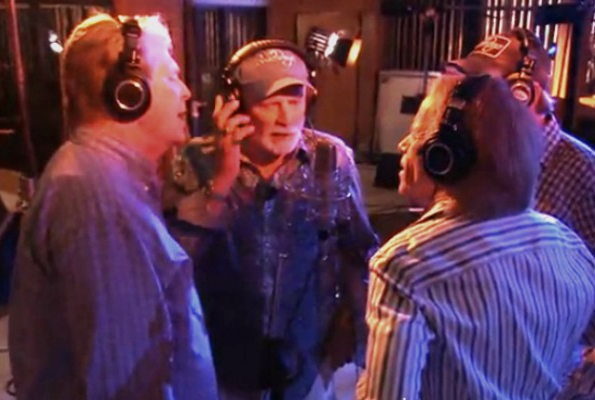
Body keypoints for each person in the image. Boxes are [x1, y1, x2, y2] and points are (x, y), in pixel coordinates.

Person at [7, 13, 218, 400]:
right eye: (172, 77)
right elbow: (125, 382)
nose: (187, 92)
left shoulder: (107, 180)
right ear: (130, 93)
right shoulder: (94, 199)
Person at [356, 74, 595, 399]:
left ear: (443, 156)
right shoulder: (568, 245)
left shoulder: (404, 267)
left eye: (416, 134)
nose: (403, 145)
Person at [166, 40, 379, 399]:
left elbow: (357, 250)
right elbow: (175, 262)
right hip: (222, 364)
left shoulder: (332, 158)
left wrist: (359, 335)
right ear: (235, 105)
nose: (286, 118)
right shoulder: (196, 160)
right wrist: (221, 179)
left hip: (308, 362)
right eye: (269, 103)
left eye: (295, 100)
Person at [443, 27, 595, 256]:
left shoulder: (585, 172)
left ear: (524, 94)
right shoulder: (480, 151)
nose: (468, 100)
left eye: (482, 88)